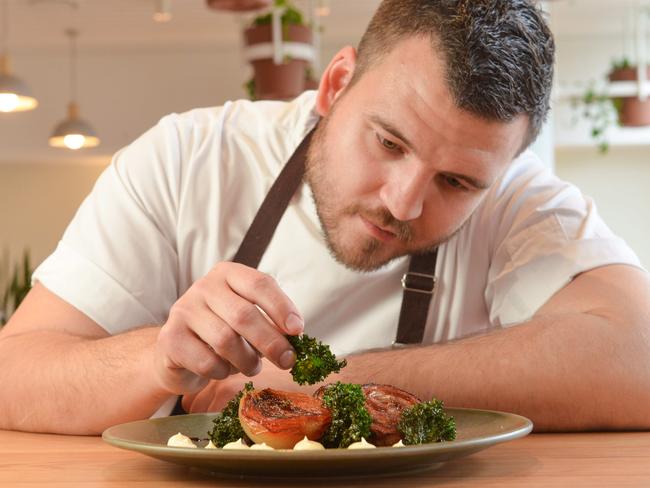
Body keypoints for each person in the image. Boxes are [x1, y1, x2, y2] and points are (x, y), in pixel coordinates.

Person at [1, 0, 649, 435]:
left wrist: (336, 381)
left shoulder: (514, 194)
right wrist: (156, 363)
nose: (403, 202)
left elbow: (636, 353)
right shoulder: (186, 158)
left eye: (455, 182)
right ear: (335, 85)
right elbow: (15, 373)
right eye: (389, 143)